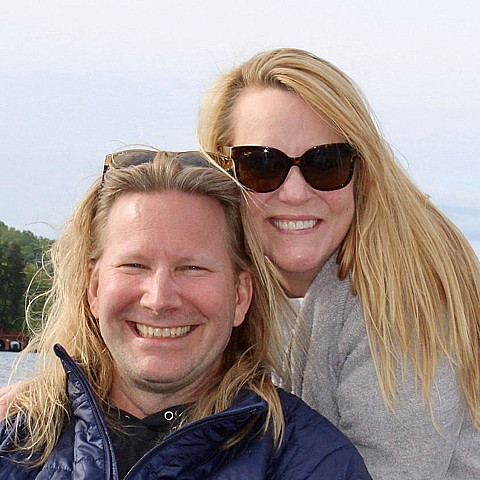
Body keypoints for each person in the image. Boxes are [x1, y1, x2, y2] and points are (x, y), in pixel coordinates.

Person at [0, 150, 372, 479]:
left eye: (192, 268)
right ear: (94, 289)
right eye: (134, 265)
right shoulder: (14, 444)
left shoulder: (313, 462)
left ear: (240, 296)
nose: (159, 299)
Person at [197, 48, 480, 479]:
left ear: (361, 169)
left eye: (325, 163)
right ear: (223, 172)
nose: (294, 193)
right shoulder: (252, 284)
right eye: (261, 165)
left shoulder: (396, 296)